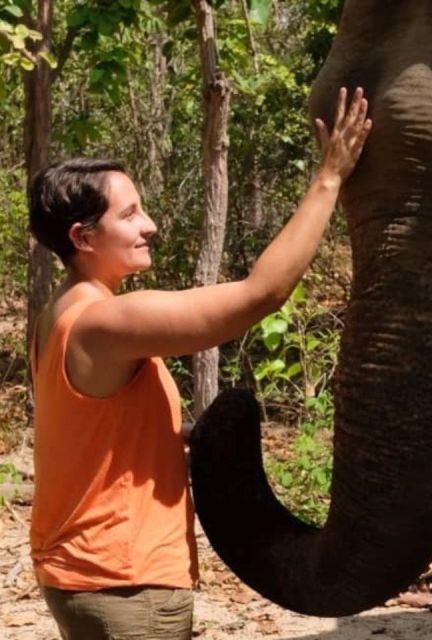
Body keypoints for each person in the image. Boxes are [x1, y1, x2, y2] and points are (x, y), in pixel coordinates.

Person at [27, 87, 371, 639]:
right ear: (82, 237)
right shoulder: (103, 323)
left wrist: (164, 440)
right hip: (124, 581)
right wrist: (329, 178)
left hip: (85, 571)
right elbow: (261, 294)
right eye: (131, 214)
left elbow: (88, 433)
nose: (151, 225)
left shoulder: (58, 315)